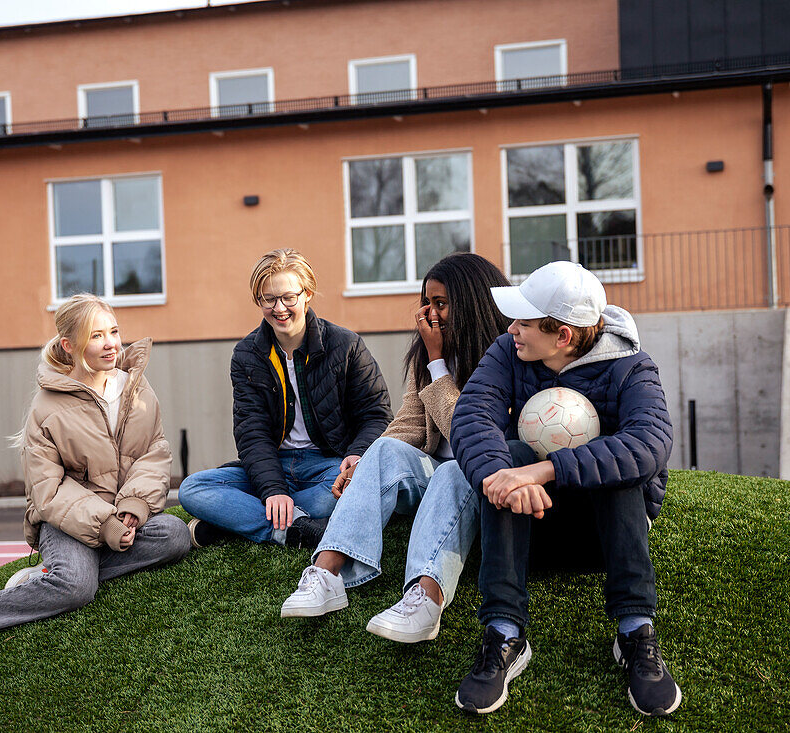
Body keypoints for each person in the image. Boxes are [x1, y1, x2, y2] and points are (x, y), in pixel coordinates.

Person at [449, 260, 680, 717]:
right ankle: (504, 634)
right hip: (526, 530)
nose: (511, 328)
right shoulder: (506, 353)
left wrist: (543, 472)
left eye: (525, 322)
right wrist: (507, 479)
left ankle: (636, 632)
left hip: (603, 538)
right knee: (509, 455)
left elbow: (648, 444)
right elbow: (472, 418)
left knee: (619, 470)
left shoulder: (632, 366)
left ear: (563, 336)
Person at [0, 294, 190, 660]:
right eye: (96, 336)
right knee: (78, 587)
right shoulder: (46, 406)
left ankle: (48, 579)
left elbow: (154, 450)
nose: (110, 344)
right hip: (63, 520)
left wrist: (134, 506)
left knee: (175, 535)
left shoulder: (137, 388)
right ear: (69, 345)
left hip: (122, 516)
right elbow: (48, 490)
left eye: (114, 331)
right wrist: (104, 521)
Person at [280, 253, 511, 643]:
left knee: (456, 469)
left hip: (477, 475)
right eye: (428, 303)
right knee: (383, 452)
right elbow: (406, 423)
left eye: (441, 304)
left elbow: (469, 438)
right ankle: (327, 573)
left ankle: (426, 598)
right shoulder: (426, 353)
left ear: (471, 302)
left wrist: (438, 363)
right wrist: (364, 465)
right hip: (429, 474)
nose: (430, 314)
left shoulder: (506, 353)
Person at [179, 248, 391, 548]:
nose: (279, 308)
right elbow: (251, 433)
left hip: (329, 465)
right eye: (269, 299)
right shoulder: (246, 354)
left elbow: (377, 414)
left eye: (288, 297)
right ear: (259, 301)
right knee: (193, 488)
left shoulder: (346, 345)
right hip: (273, 463)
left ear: (307, 294)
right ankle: (294, 527)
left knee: (347, 491)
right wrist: (273, 488)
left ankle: (237, 524)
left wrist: (357, 454)